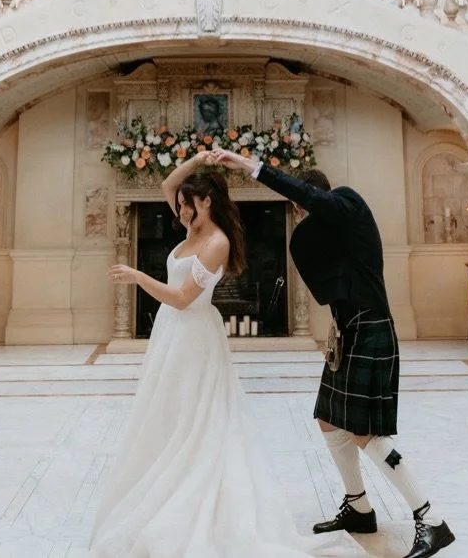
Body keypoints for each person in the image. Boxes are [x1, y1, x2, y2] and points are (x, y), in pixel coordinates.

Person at [90, 154, 362, 558]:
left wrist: (138, 276)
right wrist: (196, 161)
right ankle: (165, 482)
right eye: (181, 203)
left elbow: (183, 298)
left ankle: (195, 494)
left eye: (187, 203)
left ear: (207, 203)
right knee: (167, 414)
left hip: (195, 336)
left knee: (197, 419)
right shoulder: (189, 224)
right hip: (170, 336)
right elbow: (166, 186)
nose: (179, 209)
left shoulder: (217, 242)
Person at [208, 149, 455, 558]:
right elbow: (329, 288)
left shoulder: (349, 203)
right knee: (328, 419)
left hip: (373, 329)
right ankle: (359, 507)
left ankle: (430, 520)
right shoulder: (330, 234)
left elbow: (320, 205)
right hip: (350, 331)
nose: (303, 214)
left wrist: (255, 168)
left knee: (366, 432)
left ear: (314, 197)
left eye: (304, 205)